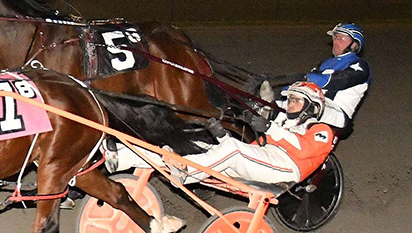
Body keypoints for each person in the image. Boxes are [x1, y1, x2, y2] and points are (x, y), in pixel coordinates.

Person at [106, 82, 337, 186]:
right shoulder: (284, 124)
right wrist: (221, 136)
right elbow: (253, 150)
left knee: (234, 149)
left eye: (297, 101)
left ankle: (188, 172)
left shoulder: (320, 130)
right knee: (197, 144)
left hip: (289, 168)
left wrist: (270, 128)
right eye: (290, 100)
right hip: (265, 160)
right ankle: (123, 156)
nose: (289, 104)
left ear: (312, 107)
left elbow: (305, 150)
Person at [262, 22, 370, 139]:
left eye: (341, 38)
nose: (336, 41)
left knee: (303, 104)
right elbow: (305, 86)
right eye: (335, 37)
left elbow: (339, 81)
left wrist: (306, 77)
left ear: (354, 45)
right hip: (312, 103)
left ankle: (287, 136)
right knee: (270, 105)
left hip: (338, 113)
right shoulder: (325, 63)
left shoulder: (359, 65)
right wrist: (275, 87)